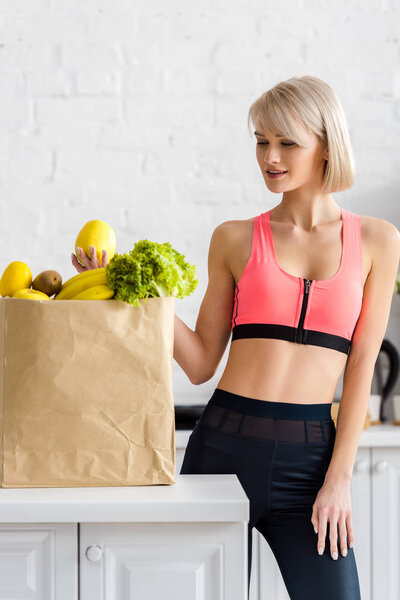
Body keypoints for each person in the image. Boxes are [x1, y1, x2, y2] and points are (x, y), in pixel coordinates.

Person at [72, 75, 400, 600]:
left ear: (326, 145)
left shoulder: (379, 241)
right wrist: (136, 288)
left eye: (287, 142)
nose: (270, 156)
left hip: (310, 465)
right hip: (222, 451)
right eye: (261, 140)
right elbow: (201, 363)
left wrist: (339, 479)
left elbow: (361, 366)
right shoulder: (234, 238)